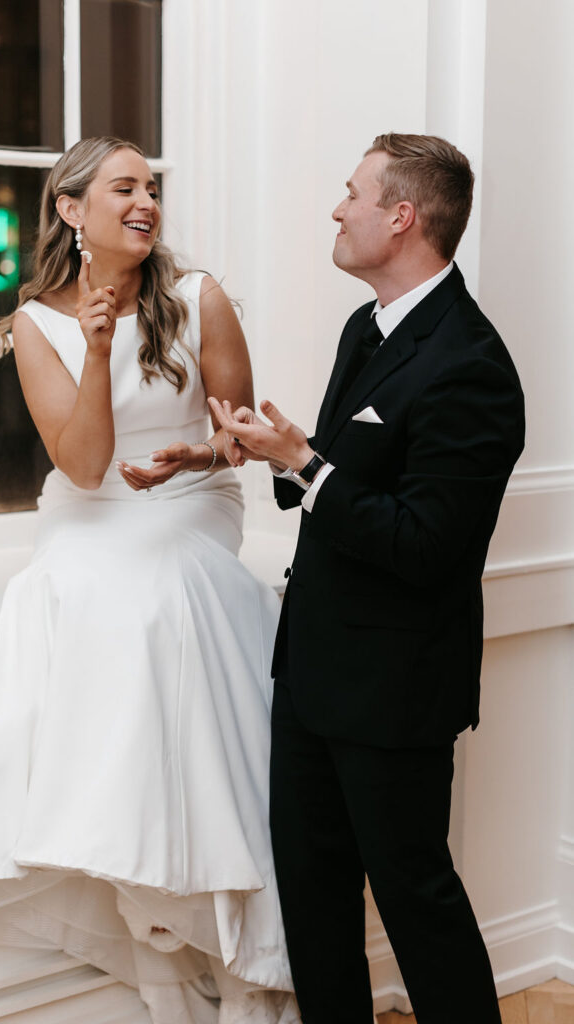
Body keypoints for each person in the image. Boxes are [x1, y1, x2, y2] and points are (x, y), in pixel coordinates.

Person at [0, 137, 299, 1024]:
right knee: (95, 601)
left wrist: (192, 456)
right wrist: (94, 351)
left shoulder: (197, 298)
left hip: (190, 500)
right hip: (91, 511)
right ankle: (160, 950)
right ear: (70, 208)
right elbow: (85, 468)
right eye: (123, 187)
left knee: (160, 595)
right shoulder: (32, 325)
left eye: (152, 189)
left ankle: (228, 960)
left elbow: (237, 439)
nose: (145, 203)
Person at [211, 133, 525, 1024]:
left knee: (416, 904)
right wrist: (258, 453)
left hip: (394, 691)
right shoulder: (368, 327)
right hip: (311, 670)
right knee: (311, 903)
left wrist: (307, 467)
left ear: (401, 216)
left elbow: (425, 543)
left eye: (351, 193)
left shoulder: (471, 365)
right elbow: (346, 473)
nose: (336, 209)